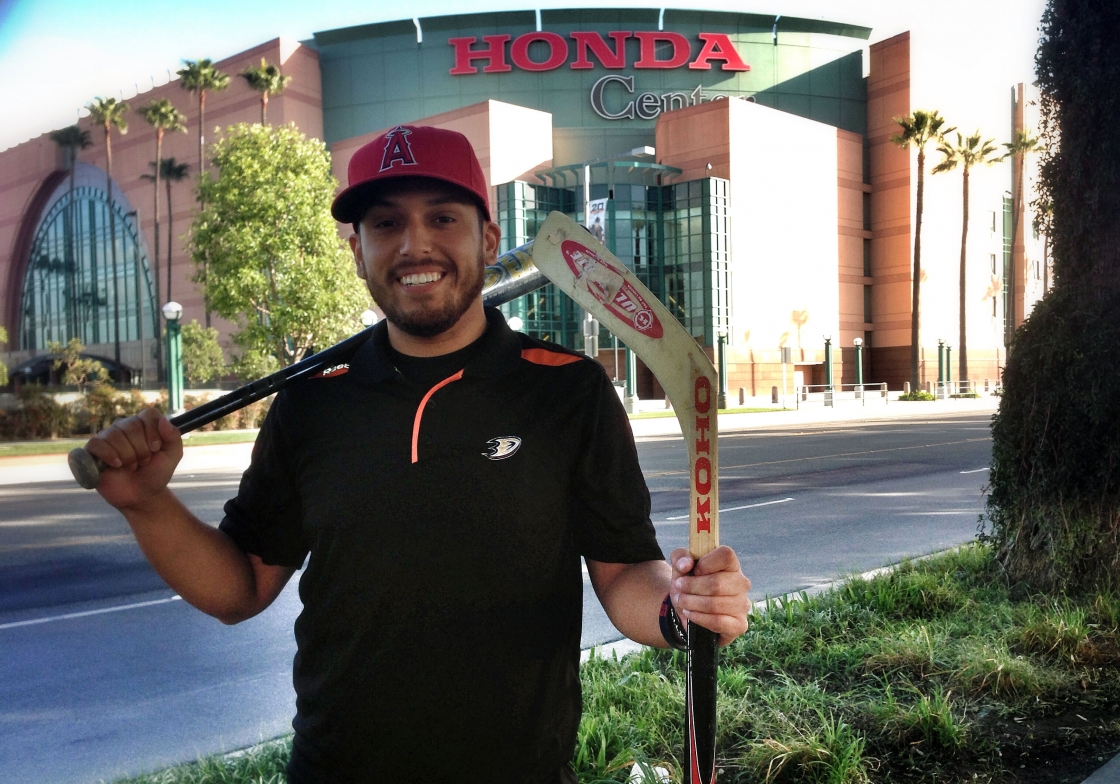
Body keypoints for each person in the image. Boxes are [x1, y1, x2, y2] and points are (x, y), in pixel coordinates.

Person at [85, 124, 752, 783]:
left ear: (488, 239)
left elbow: (622, 572)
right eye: (385, 224)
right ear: (357, 250)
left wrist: (681, 609)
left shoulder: (566, 391)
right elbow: (240, 586)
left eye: (441, 217)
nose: (414, 245)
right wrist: (147, 505)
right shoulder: (311, 405)